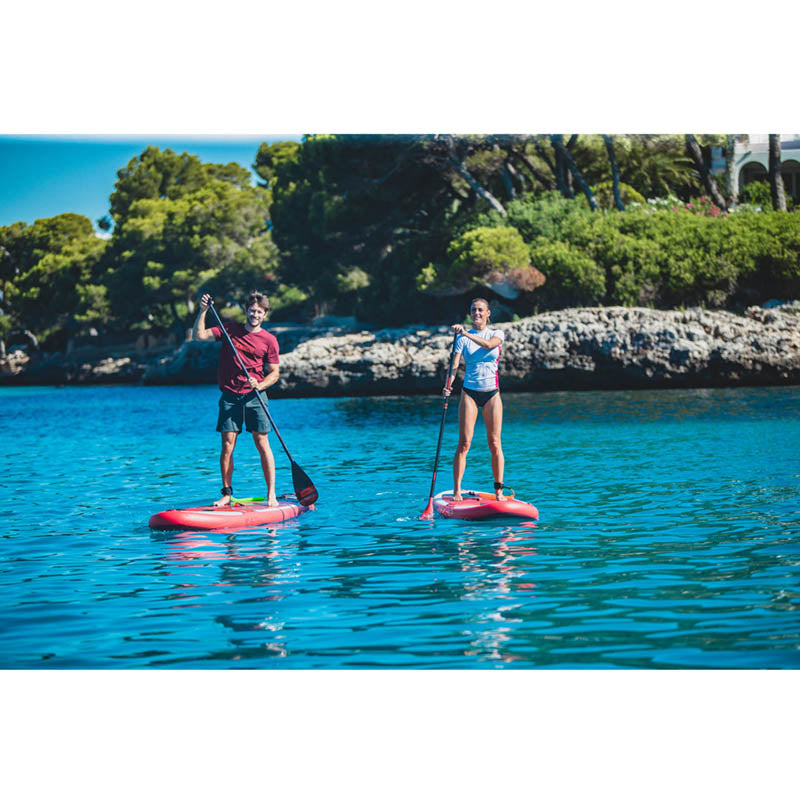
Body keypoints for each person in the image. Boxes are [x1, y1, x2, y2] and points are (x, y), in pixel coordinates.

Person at [193, 291, 281, 507]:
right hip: (230, 396)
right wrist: (203, 311)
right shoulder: (229, 329)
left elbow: (275, 373)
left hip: (255, 397)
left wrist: (259, 384)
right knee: (227, 445)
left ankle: (271, 494)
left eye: (259, 312)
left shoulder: (269, 340)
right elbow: (200, 336)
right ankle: (226, 494)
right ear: (246, 311)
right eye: (252, 311)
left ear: (264, 314)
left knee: (262, 443)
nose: (255, 315)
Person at [443, 297, 507, 502]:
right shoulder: (462, 338)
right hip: (469, 393)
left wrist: (464, 333)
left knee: (495, 443)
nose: (476, 313)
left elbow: (489, 345)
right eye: (473, 310)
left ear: (488, 313)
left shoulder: (497, 334)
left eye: (480, 310)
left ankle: (499, 491)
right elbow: (454, 365)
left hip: (492, 394)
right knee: (464, 443)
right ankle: (456, 492)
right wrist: (448, 384)